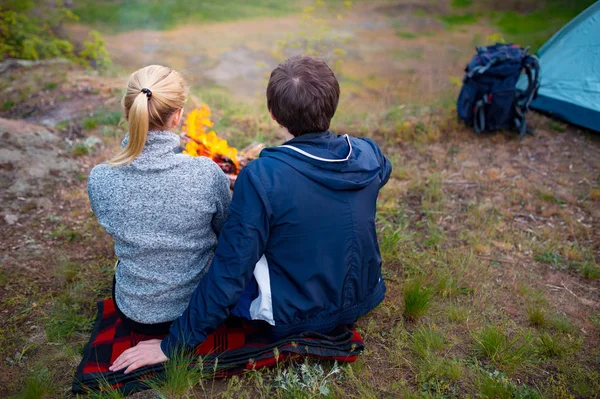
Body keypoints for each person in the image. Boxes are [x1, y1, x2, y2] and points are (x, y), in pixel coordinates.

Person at [110, 55, 391, 373]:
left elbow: (231, 271)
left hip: (296, 316)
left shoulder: (263, 177)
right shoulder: (367, 153)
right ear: (334, 102)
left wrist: (173, 343)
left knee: (230, 257)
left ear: (272, 114)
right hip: (365, 295)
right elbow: (382, 172)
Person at [88, 65, 231, 335]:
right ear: (177, 117)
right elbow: (225, 232)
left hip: (134, 312)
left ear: (127, 110)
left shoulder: (100, 178)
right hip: (198, 309)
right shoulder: (206, 173)